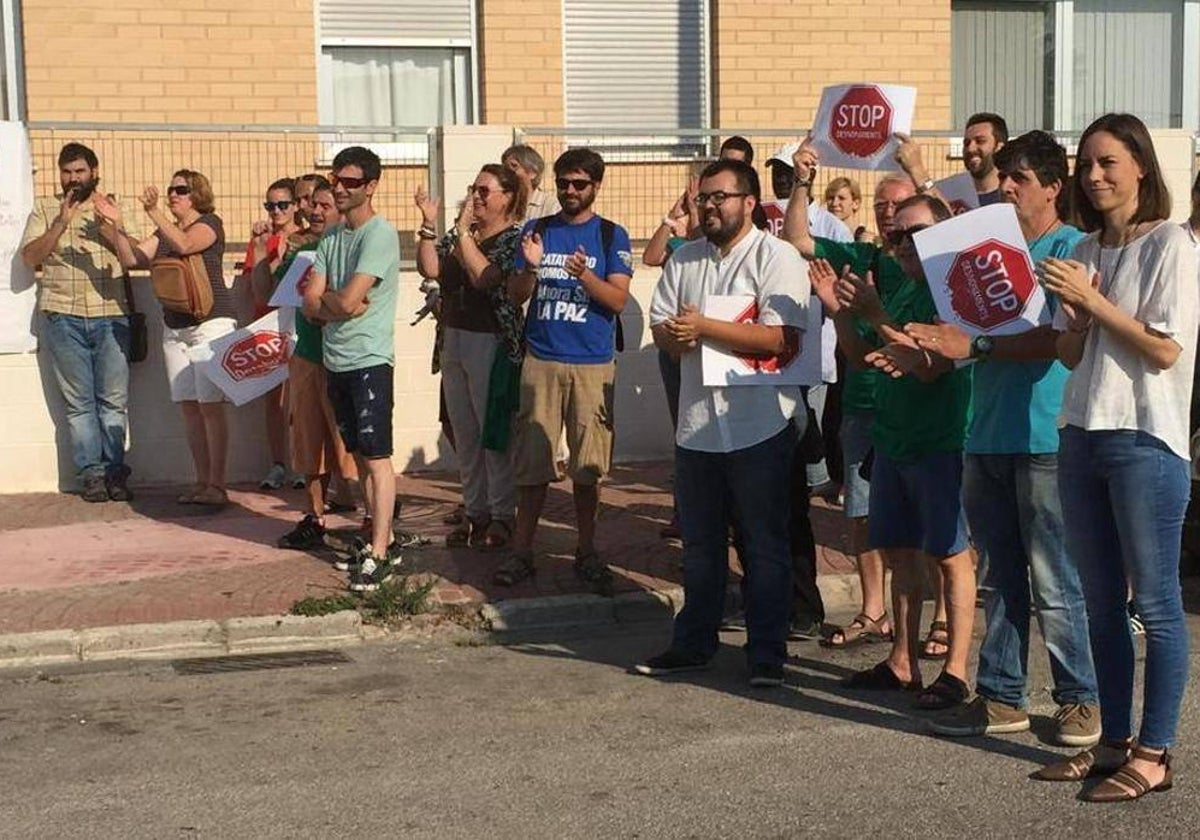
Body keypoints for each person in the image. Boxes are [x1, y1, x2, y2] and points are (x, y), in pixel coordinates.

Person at [906, 131, 1099, 747]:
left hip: (1044, 435)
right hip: (984, 432)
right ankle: (1001, 695)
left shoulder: (1073, 249)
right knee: (999, 575)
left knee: (1055, 579)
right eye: (1004, 176)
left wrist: (976, 345)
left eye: (1019, 178)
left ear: (1052, 186)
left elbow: (1058, 343)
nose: (1006, 186)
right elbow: (960, 335)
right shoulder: (986, 247)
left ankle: (1080, 700)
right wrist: (928, 343)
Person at [1032, 113, 1198, 802]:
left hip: (1144, 439)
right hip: (1083, 431)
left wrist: (1092, 301)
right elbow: (1070, 353)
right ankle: (1112, 743)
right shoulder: (1089, 247)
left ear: (1140, 166)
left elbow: (1164, 350)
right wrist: (1072, 315)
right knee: (1100, 603)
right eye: (1087, 165)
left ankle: (1155, 753)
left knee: (1155, 605)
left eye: (1108, 163)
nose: (1095, 176)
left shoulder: (1172, 246)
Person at [786, 177, 974, 707]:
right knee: (899, 553)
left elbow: (930, 363)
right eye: (900, 237)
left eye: (919, 234)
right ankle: (903, 660)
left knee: (950, 554)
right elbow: (861, 353)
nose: (906, 245)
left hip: (939, 440)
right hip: (892, 439)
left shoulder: (956, 290)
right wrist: (840, 309)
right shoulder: (903, 286)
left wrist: (873, 314)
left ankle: (955, 671)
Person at [636, 158, 810, 687]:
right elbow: (661, 326)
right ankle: (693, 644)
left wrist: (704, 327)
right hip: (697, 427)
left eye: (721, 197)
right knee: (701, 545)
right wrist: (676, 336)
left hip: (760, 424)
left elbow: (784, 338)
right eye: (703, 198)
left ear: (749, 202)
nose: (709, 207)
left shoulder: (777, 256)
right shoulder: (684, 259)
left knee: (763, 543)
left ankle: (766, 655)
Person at [493, 148, 633, 590]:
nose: (570, 191)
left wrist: (584, 277)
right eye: (564, 183)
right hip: (542, 361)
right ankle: (522, 552)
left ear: (595, 186)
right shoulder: (536, 231)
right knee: (532, 465)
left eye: (579, 184)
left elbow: (617, 301)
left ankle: (587, 550)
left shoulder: (612, 236)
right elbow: (515, 295)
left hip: (592, 364)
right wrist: (530, 268)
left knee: (588, 467)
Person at [99, 169, 237, 507]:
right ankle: (202, 481)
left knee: (210, 408)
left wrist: (153, 212)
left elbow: (187, 244)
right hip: (175, 327)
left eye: (181, 190)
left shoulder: (210, 223)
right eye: (171, 190)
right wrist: (115, 226)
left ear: (197, 194)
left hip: (209, 324)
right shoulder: (164, 232)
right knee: (190, 408)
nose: (172, 195)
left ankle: (218, 484)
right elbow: (132, 258)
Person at [301, 146, 402, 592]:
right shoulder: (330, 239)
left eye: (350, 183)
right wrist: (337, 305)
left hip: (369, 360)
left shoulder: (379, 235)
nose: (339, 189)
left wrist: (337, 303)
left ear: (371, 186)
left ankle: (380, 551)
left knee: (377, 457)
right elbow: (312, 303)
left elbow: (340, 299)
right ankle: (382, 536)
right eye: (335, 180)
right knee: (359, 455)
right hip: (335, 358)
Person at [415, 165, 527, 551]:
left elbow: (485, 278)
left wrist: (463, 234)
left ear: (508, 196)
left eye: (485, 191)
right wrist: (429, 226)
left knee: (491, 432)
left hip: (491, 340)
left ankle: (501, 515)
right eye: (473, 189)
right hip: (455, 336)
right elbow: (431, 266)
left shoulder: (514, 238)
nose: (476, 197)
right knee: (464, 433)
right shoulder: (464, 234)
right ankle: (475, 512)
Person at [20, 143, 138, 502]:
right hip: (62, 314)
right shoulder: (44, 207)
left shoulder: (113, 207)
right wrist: (60, 223)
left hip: (110, 315)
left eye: (80, 172)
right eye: (67, 172)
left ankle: (116, 472)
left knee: (113, 400)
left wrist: (111, 228)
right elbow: (30, 257)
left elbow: (133, 256)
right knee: (79, 403)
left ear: (94, 172)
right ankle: (92, 474)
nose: (73, 179)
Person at [270, 181, 361, 550]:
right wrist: (269, 249)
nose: (316, 211)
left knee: (351, 443)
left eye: (325, 204)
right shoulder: (302, 252)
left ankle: (370, 516)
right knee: (308, 439)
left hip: (344, 356)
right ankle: (314, 516)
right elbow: (270, 289)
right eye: (313, 205)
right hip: (307, 356)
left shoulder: (353, 250)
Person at [243, 177, 302, 491]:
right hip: (267, 324)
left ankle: (303, 464)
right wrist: (259, 247)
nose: (276, 211)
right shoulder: (262, 240)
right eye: (270, 205)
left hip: (297, 324)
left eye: (282, 205)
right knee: (275, 402)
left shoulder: (302, 239)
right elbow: (256, 287)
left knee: (301, 401)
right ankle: (279, 463)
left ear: (295, 206)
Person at [897, 113, 1008, 208]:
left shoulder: (1013, 195)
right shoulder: (949, 191)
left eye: (980, 141)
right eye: (966, 143)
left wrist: (916, 168)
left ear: (1000, 147)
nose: (970, 148)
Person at [502, 144, 561, 221]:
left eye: (514, 166)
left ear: (533, 173)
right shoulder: (502, 204)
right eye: (504, 168)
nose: (507, 172)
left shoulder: (551, 206)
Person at [824, 176, 869, 242]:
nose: (834, 203)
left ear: (855, 204)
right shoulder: (822, 234)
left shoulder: (865, 240)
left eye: (841, 198)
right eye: (831, 198)